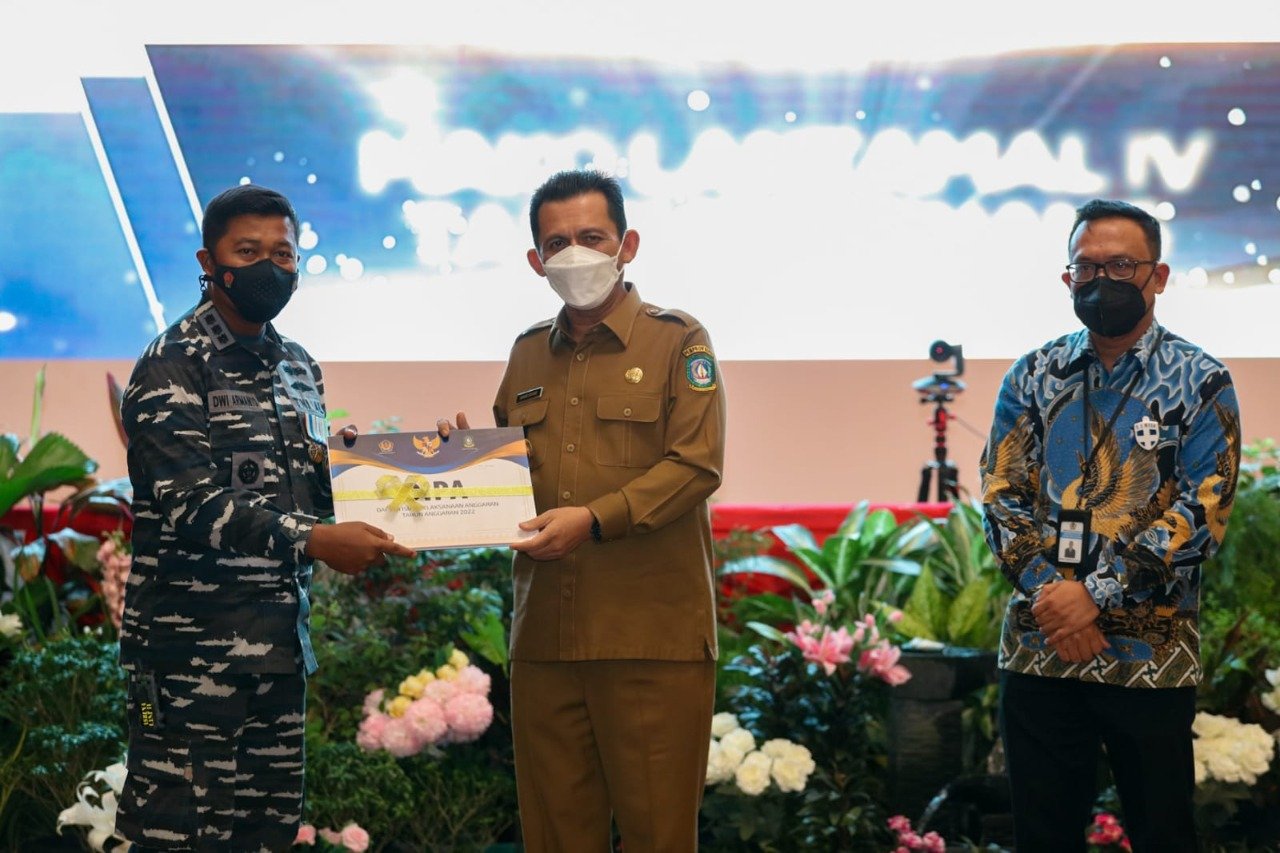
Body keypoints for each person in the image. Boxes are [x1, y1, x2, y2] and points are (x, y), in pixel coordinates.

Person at [115, 184, 413, 851]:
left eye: (283, 253)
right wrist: (317, 539)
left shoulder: (298, 366)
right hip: (190, 663)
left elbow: (312, 491)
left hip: (277, 654)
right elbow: (193, 505)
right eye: (247, 252)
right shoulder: (173, 364)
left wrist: (431, 470)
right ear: (209, 261)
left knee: (267, 835)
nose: (268, 268)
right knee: (180, 834)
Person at [441, 169, 727, 851]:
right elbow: (516, 483)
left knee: (658, 837)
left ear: (627, 244)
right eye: (557, 243)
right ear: (535, 260)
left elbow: (696, 465)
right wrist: (461, 469)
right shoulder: (526, 353)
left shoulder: (678, 340)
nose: (575, 254)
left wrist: (595, 520)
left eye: (592, 237)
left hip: (648, 637)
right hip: (546, 639)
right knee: (555, 838)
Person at [980, 198, 1240, 852]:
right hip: (1042, 649)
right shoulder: (1032, 374)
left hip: (1152, 656)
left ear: (1159, 275)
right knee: (1043, 837)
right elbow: (1002, 495)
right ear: (1067, 278)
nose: (1102, 281)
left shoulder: (1202, 380)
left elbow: (1202, 512)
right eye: (1087, 268)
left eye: (1121, 265)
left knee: (1163, 834)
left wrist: (1091, 595)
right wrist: (1058, 602)